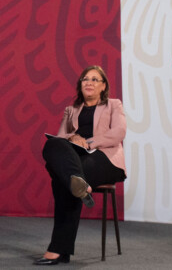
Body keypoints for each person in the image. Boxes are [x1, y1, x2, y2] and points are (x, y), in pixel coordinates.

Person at [35, 65, 126, 265]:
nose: (89, 82)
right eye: (85, 79)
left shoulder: (113, 105)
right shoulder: (71, 110)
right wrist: (74, 137)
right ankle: (79, 185)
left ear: (103, 86)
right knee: (53, 144)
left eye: (95, 79)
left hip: (105, 159)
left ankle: (58, 250)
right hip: (77, 158)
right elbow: (61, 137)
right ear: (80, 85)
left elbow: (118, 133)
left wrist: (89, 142)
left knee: (62, 179)